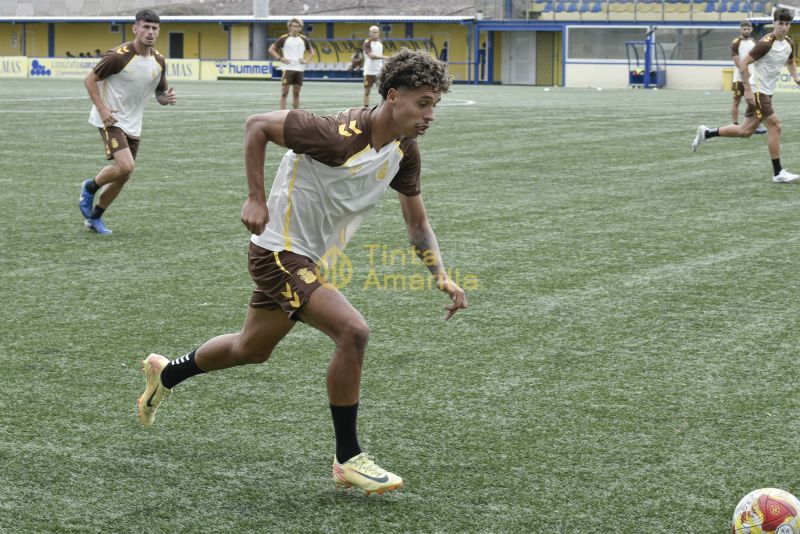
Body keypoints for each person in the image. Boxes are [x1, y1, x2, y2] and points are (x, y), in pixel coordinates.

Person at [136, 48, 467, 496]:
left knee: (250, 349)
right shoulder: (336, 134)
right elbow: (257, 125)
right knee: (353, 331)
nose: (430, 114)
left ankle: (166, 373)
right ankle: (348, 458)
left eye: (435, 105)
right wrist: (255, 198)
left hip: (309, 258)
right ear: (393, 96)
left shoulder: (404, 151)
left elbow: (417, 222)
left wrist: (440, 274)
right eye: (423, 103)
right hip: (279, 251)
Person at [79, 9, 176, 234]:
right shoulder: (118, 56)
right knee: (126, 166)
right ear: (135, 29)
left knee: (124, 175)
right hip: (110, 118)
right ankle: (89, 187)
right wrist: (102, 108)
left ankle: (94, 218)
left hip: (133, 124)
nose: (150, 32)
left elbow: (160, 94)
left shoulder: (159, 61)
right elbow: (90, 80)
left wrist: (166, 98)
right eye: (146, 27)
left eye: (154, 28)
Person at [692, 8, 800, 183]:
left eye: (787, 24)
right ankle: (778, 172)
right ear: (774, 23)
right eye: (780, 23)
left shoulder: (788, 43)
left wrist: (795, 76)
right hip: (758, 92)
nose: (784, 27)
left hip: (767, 92)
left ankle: (707, 133)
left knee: (745, 131)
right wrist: (748, 90)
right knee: (776, 127)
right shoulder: (765, 43)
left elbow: (790, 62)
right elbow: (743, 64)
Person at [268, 18, 314, 110]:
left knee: (296, 92)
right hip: (288, 68)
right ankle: (282, 113)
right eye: (293, 26)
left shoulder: (304, 39)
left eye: (297, 26)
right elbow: (271, 49)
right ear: (289, 27)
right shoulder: (284, 38)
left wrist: (305, 61)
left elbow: (312, 52)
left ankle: (296, 112)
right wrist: (280, 58)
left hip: (299, 69)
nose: (295, 28)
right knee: (284, 92)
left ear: (300, 28)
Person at [730, 20, 767, 134]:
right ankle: (735, 124)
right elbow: (738, 62)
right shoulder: (735, 43)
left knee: (754, 101)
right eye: (744, 29)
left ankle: (754, 126)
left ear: (751, 29)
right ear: (741, 29)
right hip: (739, 77)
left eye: (748, 29)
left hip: (752, 78)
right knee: (736, 101)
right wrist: (746, 72)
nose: (746, 31)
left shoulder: (753, 42)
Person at [362, 25, 389, 107]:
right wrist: (384, 57)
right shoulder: (367, 43)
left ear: (379, 33)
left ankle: (383, 107)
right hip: (368, 72)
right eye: (373, 32)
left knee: (383, 90)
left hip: (379, 71)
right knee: (367, 92)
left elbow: (380, 55)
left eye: (377, 32)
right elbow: (372, 56)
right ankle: (365, 108)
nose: (375, 34)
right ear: (370, 33)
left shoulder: (380, 43)